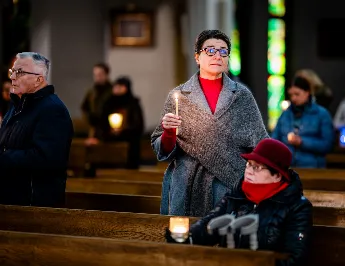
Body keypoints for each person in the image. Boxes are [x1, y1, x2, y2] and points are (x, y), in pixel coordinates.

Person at [151, 30, 268, 217]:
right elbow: (162, 150)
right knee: (184, 241)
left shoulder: (241, 95)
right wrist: (169, 133)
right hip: (187, 183)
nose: (217, 56)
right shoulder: (180, 96)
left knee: (224, 240)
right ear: (197, 57)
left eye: (223, 51)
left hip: (228, 182)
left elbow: (260, 142)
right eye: (210, 50)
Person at [166, 138, 313, 266]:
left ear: (277, 176)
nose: (248, 171)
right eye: (248, 164)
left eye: (256, 167)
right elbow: (210, 224)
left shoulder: (297, 207)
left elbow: (295, 258)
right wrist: (187, 239)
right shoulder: (237, 195)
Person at [0, 52, 74, 207]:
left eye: (19, 72)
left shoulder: (52, 110)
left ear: (38, 79)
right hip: (10, 198)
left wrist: (4, 156)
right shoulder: (16, 106)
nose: (13, 77)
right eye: (12, 71)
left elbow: (46, 158)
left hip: (34, 203)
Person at [272, 76, 335, 168]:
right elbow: (274, 139)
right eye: (291, 95)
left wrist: (302, 142)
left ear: (307, 93)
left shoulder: (321, 114)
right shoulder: (285, 115)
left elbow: (327, 145)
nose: (293, 98)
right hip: (287, 167)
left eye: (297, 94)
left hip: (312, 167)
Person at [96, 76, 144, 169]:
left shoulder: (132, 104)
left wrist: (123, 131)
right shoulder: (109, 103)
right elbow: (101, 122)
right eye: (115, 87)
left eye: (120, 87)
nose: (116, 89)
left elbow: (138, 124)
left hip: (129, 145)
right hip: (109, 144)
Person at [81, 63, 113, 145]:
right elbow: (84, 107)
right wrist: (89, 117)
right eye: (95, 75)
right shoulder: (92, 92)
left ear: (106, 75)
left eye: (100, 74)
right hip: (94, 128)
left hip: (108, 130)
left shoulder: (112, 91)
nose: (97, 77)